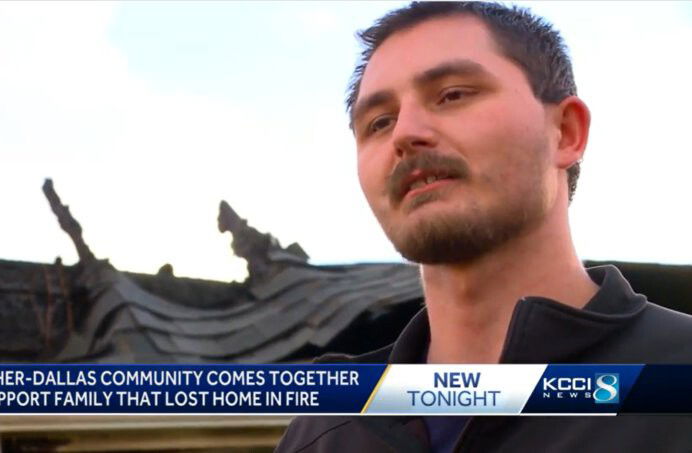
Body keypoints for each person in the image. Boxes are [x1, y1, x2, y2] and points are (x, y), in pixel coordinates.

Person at [275, 2, 692, 452]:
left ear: (566, 132)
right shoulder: (321, 434)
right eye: (379, 122)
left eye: (453, 94)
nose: (404, 133)